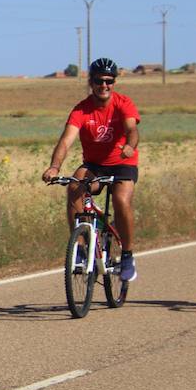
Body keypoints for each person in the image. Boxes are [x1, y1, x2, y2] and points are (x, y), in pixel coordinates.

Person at [40, 57, 141, 280]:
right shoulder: (82, 110)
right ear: (91, 82)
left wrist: (129, 146)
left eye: (109, 80)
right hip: (95, 166)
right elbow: (66, 140)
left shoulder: (123, 103)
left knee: (121, 200)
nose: (104, 85)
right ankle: (81, 249)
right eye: (98, 80)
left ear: (114, 82)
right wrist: (55, 167)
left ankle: (127, 255)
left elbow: (132, 130)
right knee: (74, 186)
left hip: (123, 163)